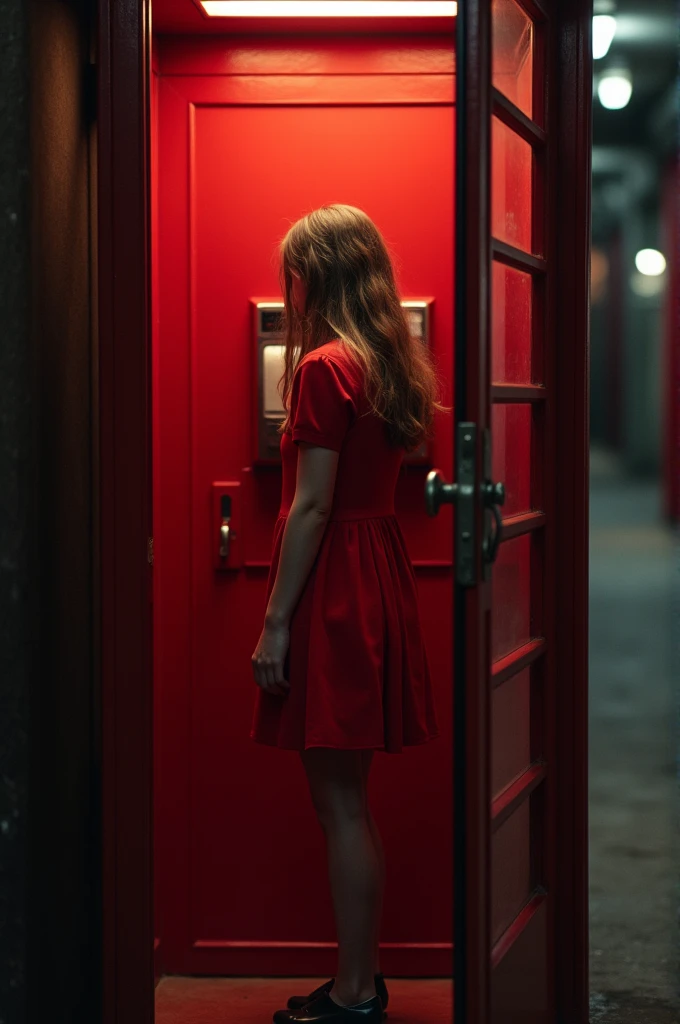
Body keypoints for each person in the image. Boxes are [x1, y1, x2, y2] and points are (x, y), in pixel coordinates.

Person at [250, 203, 443, 1023]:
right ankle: (361, 981)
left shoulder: (323, 366)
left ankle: (357, 992)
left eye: (294, 270)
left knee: (337, 806)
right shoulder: (392, 359)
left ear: (316, 274)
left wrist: (275, 621)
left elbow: (311, 507)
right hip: (379, 571)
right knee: (351, 802)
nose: (288, 289)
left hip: (334, 588)